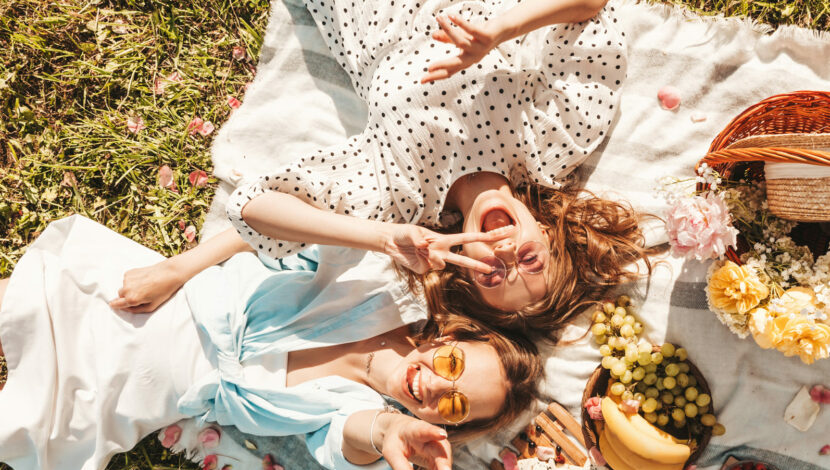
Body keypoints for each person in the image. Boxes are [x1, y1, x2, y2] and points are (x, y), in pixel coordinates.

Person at [0, 216, 541, 470]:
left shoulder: (359, 412)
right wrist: (177, 267)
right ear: (449, 337)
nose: (435, 384)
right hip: (159, 305)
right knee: (22, 309)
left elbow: (349, 441)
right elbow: (270, 221)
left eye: (452, 404)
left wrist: (391, 428)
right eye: (451, 363)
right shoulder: (375, 282)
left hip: (135, 396)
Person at [215, 0, 651, 337]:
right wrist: (501, 30)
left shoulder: (404, 198)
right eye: (529, 259)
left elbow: (253, 208)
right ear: (547, 233)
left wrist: (383, 238)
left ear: (463, 266)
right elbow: (591, 6)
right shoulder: (550, 142)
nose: (504, 252)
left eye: (493, 274)